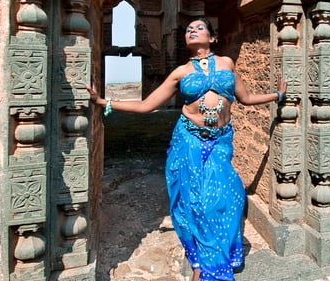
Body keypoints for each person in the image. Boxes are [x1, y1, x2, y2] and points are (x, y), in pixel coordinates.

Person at [86, 17, 286, 281]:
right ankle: (203, 265)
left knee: (231, 197)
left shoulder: (227, 63)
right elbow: (147, 105)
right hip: (189, 141)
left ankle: (212, 256)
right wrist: (103, 101)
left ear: (212, 38)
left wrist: (277, 96)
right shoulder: (180, 72)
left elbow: (246, 99)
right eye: (189, 29)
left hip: (220, 141)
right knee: (197, 203)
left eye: (199, 27)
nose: (192, 30)